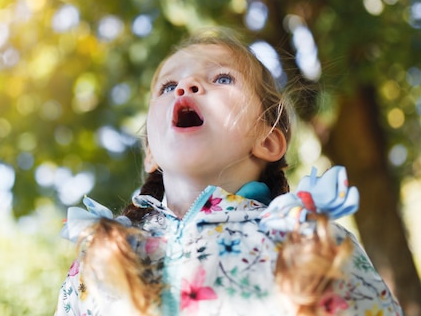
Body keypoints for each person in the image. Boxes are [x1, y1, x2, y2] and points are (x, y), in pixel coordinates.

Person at [55, 27, 402, 316]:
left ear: (267, 141)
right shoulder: (105, 254)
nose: (185, 85)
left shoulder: (309, 241)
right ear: (150, 154)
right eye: (166, 86)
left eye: (222, 78)